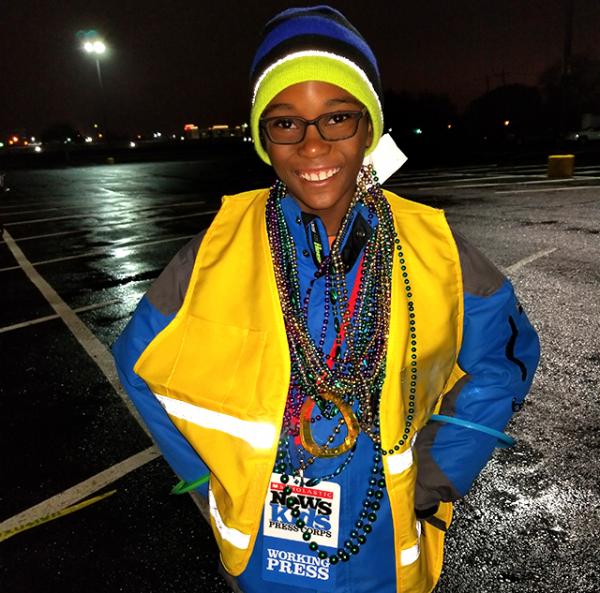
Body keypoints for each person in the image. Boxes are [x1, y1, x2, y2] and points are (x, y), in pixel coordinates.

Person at [113, 6, 540, 593]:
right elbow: (137, 364)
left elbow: (505, 358)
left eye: (336, 118)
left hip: (384, 553)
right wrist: (210, 477)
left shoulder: (435, 248)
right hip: (262, 560)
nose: (312, 146)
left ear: (369, 127)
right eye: (286, 123)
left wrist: (438, 475)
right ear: (265, 138)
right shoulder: (215, 251)